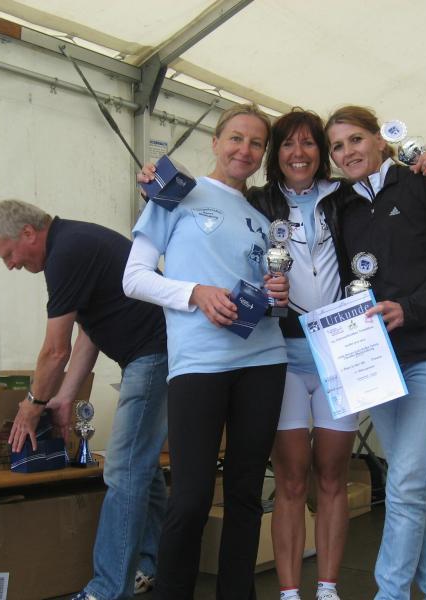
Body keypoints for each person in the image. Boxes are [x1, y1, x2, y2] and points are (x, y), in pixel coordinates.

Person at [247, 108, 426, 600]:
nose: (299, 153)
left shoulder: (346, 196)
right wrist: (157, 185)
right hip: (281, 352)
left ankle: (328, 589)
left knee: (333, 474)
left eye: (309, 143)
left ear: (322, 153)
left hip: (341, 352)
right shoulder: (256, 201)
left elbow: (388, 185)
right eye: (288, 144)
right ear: (276, 153)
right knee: (291, 478)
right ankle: (290, 593)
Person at [123, 104, 289, 600]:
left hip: (264, 359)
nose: (245, 150)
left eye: (256, 143)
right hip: (199, 363)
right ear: (215, 142)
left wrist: (276, 294)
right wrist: (194, 292)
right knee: (191, 497)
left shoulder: (263, 217)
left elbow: (263, 292)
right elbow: (134, 278)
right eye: (236, 138)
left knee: (245, 495)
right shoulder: (175, 195)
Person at [325, 105, 426, 600]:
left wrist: (411, 309)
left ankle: (390, 592)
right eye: (337, 147)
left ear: (380, 140)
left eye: (356, 139)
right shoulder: (339, 207)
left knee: (408, 480)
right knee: (412, 483)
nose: (347, 152)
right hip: (377, 365)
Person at [0, 199, 168, 600]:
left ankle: (107, 590)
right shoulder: (73, 243)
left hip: (155, 353)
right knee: (142, 467)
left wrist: (32, 404)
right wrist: (65, 397)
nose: (10, 265)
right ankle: (154, 565)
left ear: (28, 233)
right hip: (150, 352)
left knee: (123, 470)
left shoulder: (66, 252)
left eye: (8, 254)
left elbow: (55, 351)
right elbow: (90, 332)